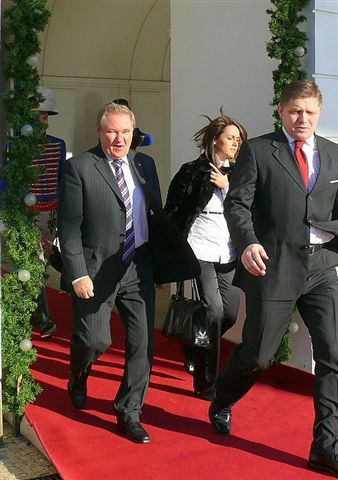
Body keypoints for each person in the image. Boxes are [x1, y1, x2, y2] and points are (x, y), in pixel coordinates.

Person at [208, 80, 338, 480]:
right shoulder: (258, 151)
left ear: (319, 113)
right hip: (274, 266)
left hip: (321, 266)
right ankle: (221, 399)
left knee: (332, 356)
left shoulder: (335, 155)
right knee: (258, 353)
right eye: (294, 111)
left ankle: (327, 448)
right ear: (281, 112)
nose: (301, 119)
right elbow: (238, 203)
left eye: (309, 112)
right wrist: (248, 242)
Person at [58, 102, 199, 444]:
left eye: (125, 132)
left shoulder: (144, 164)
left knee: (142, 344)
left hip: (139, 264)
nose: (118, 139)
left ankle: (129, 411)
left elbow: (155, 216)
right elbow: (70, 225)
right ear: (99, 132)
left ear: (133, 133)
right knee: (95, 340)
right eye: (111, 131)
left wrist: (163, 267)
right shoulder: (79, 167)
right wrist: (77, 273)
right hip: (95, 269)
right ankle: (79, 374)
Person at [164, 109, 247, 400]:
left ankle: (193, 343)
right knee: (213, 310)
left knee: (229, 313)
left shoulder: (240, 175)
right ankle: (206, 382)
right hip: (199, 251)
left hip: (229, 253)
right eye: (231, 138)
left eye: (239, 139)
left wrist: (229, 187)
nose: (236, 143)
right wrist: (171, 256)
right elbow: (173, 212)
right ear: (214, 141)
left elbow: (252, 209)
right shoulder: (191, 172)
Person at [30, 87, 67, 339]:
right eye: (39, 116)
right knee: (34, 263)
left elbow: (61, 181)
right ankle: (40, 316)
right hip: (23, 213)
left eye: (45, 117)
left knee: (37, 264)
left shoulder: (57, 145)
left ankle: (37, 314)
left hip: (49, 214)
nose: (44, 121)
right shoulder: (12, 146)